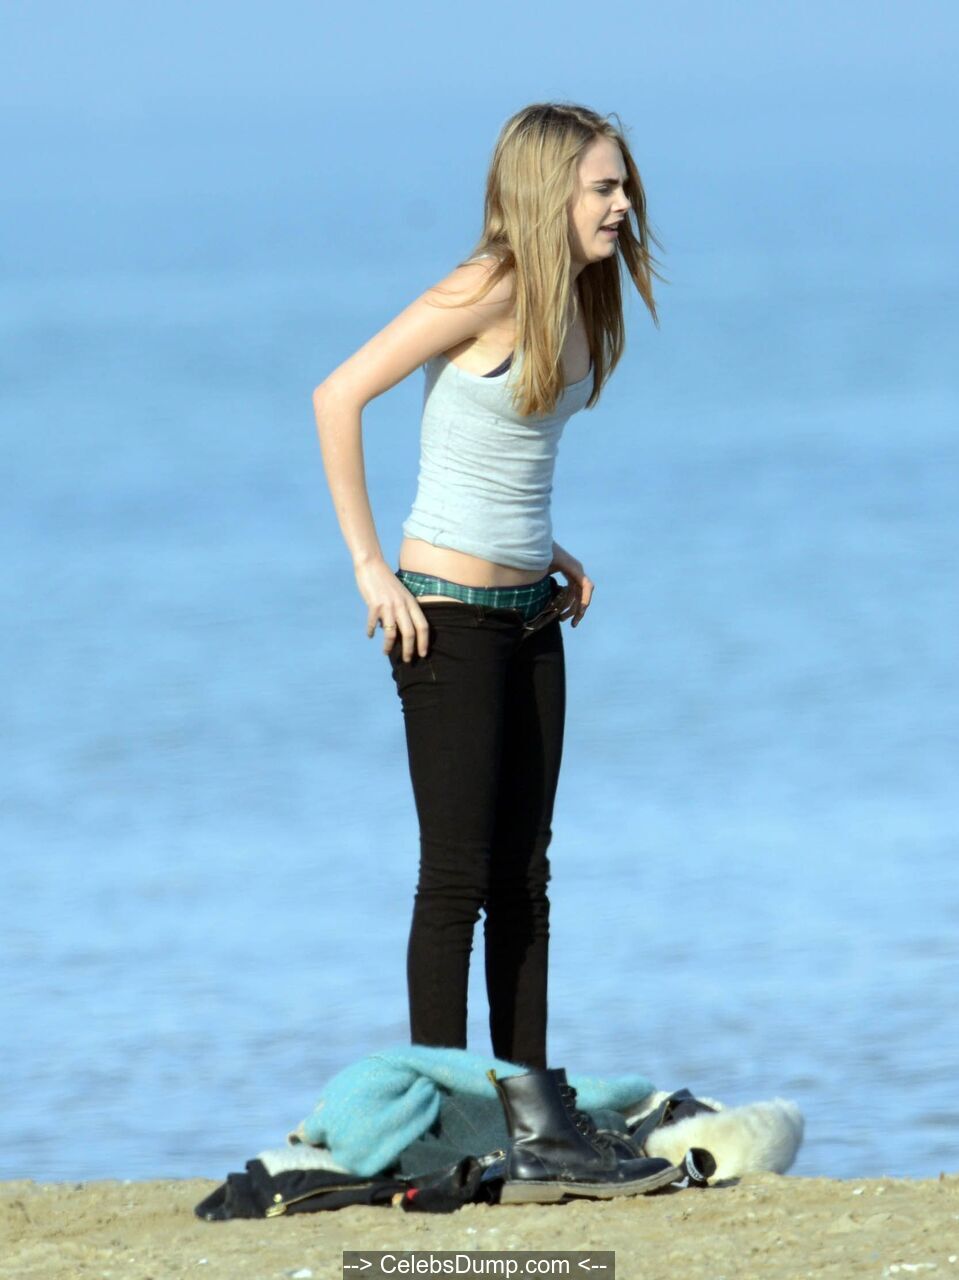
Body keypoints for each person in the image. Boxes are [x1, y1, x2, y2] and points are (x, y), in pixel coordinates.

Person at [312, 102, 663, 1070]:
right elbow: (337, 395)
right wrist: (370, 567)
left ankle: (528, 1106)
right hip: (445, 618)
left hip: (530, 612)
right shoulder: (486, 286)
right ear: (549, 192)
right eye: (602, 188)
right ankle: (439, 1111)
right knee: (455, 878)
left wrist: (544, 545)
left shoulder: (579, 296)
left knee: (524, 880)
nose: (621, 205)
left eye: (623, 187)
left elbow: (499, 449)